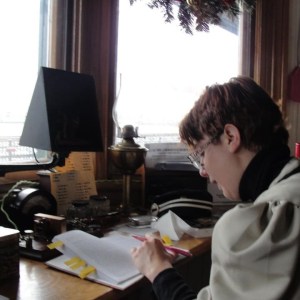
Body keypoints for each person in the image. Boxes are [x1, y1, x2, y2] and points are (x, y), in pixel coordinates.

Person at [130, 76, 300, 300]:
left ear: (230, 137)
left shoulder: (257, 226)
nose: (203, 170)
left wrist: (158, 270)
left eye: (201, 154)